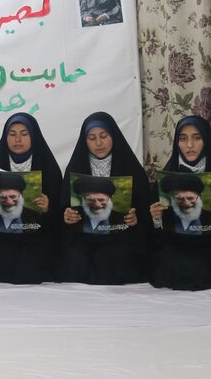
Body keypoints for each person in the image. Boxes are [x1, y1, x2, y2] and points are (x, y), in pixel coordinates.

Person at [57, 112, 149, 284]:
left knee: (114, 259)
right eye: (92, 138)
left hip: (121, 239)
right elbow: (63, 209)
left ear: (113, 136)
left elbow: (146, 212)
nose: (98, 143)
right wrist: (67, 217)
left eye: (103, 136)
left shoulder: (131, 168)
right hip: (84, 240)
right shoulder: (76, 166)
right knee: (74, 259)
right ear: (85, 141)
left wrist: (136, 220)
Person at [149, 116, 211, 291]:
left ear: (206, 140)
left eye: (196, 138)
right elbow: (157, 234)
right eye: (183, 139)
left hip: (210, 247)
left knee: (207, 264)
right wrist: (156, 219)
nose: (189, 145)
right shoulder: (167, 175)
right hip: (176, 247)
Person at [0, 113, 60, 284]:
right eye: (12, 134)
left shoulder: (49, 169)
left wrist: (48, 209)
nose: (18, 140)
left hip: (38, 239)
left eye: (24, 133)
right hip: (3, 240)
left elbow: (61, 216)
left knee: (33, 264)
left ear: (33, 136)